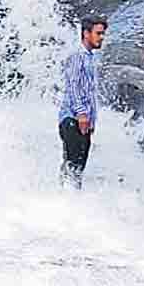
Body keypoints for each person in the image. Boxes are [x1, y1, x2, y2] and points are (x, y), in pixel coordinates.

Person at [56, 15, 106, 188]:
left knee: (77, 170)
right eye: (98, 33)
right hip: (72, 119)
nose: (101, 37)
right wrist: (82, 114)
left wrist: (91, 120)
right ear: (86, 33)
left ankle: (69, 201)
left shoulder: (90, 58)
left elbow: (89, 93)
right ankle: (64, 197)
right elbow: (74, 86)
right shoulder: (77, 56)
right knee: (72, 166)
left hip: (82, 121)